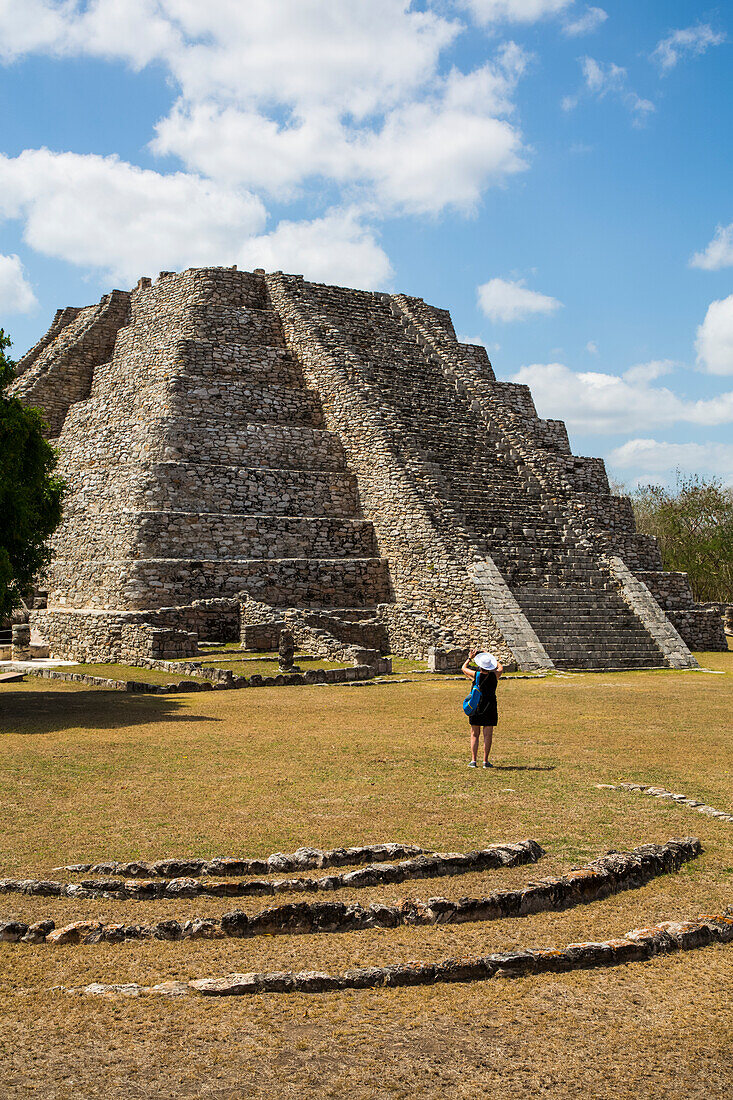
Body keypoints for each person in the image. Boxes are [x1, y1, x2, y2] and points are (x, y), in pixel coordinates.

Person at [461, 648, 503, 768]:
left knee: (475, 734)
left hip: (477, 705)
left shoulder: (476, 675)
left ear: (480, 666)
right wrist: (489, 656)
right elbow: (500, 668)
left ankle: (473, 760)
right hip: (490, 705)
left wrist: (470, 658)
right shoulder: (495, 675)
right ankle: (485, 761)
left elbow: (463, 668)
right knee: (488, 735)